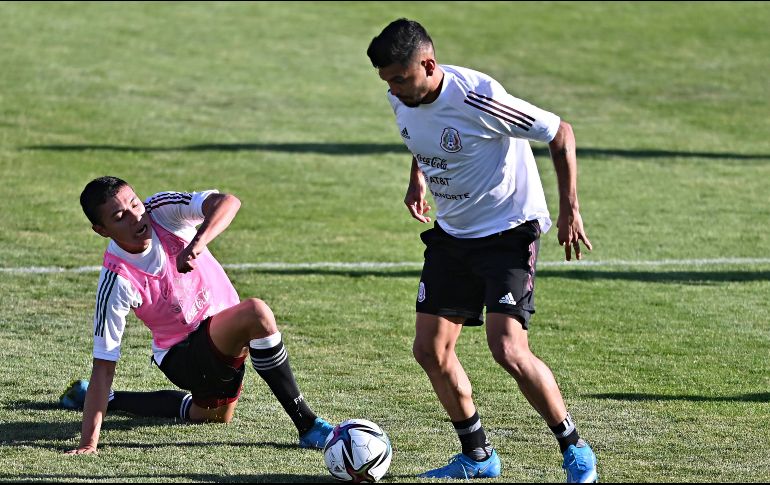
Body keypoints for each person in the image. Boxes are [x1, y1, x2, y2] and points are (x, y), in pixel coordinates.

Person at [366, 19, 598, 482]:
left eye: (399, 78)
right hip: (453, 232)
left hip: (507, 230)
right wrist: (418, 178)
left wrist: (570, 209)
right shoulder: (401, 95)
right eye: (386, 80)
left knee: (508, 348)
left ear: (428, 64)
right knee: (430, 351)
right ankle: (478, 457)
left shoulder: (479, 98)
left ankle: (575, 449)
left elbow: (561, 133)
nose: (392, 89)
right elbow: (420, 133)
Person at [63, 176, 334, 455]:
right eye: (120, 217)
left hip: (220, 335)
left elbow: (228, 202)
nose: (135, 217)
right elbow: (104, 364)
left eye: (135, 203)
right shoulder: (117, 279)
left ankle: (112, 400)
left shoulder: (161, 211)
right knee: (256, 313)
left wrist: (197, 242)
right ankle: (309, 426)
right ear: (101, 230)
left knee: (213, 416)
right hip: (183, 355)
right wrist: (88, 443)